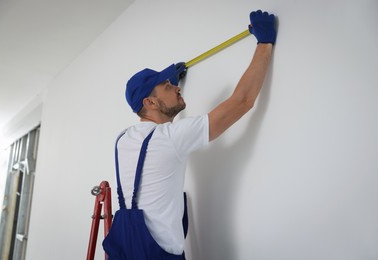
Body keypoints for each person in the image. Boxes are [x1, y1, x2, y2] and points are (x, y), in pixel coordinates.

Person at [103, 9, 277, 260]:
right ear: (150, 103)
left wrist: (170, 88)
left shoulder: (122, 139)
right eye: (167, 86)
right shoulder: (170, 139)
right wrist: (264, 43)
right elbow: (243, 102)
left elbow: (160, 135)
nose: (175, 87)